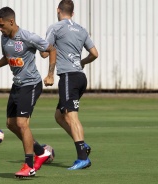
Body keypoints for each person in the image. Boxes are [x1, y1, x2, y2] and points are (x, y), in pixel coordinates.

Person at [0, 7, 56, 178]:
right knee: (11, 124)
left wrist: (50, 75)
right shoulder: (4, 38)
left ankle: (29, 166)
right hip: (17, 85)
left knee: (22, 123)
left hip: (31, 84)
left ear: (11, 21)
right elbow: (8, 57)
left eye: (1, 25)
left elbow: (51, 50)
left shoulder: (27, 37)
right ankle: (41, 151)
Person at [41, 0, 99, 170]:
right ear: (73, 13)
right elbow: (94, 53)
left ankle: (82, 158)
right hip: (80, 77)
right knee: (59, 116)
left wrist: (50, 74)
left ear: (58, 10)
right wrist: (82, 62)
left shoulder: (55, 27)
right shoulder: (81, 29)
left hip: (68, 77)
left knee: (71, 116)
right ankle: (82, 144)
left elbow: (45, 53)